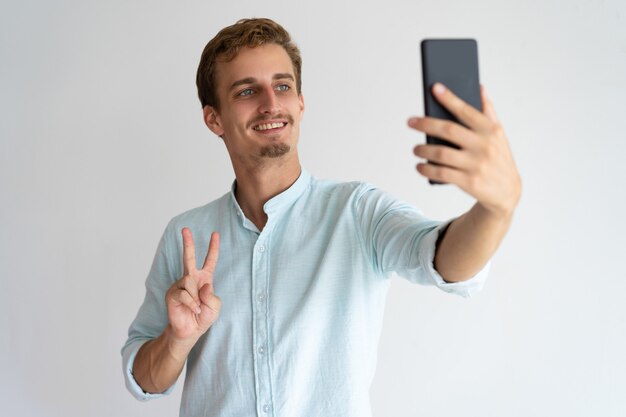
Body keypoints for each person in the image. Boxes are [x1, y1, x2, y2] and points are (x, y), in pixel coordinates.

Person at [121, 18, 521, 417]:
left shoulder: (358, 211)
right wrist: (177, 339)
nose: (271, 103)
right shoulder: (186, 236)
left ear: (300, 102)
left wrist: (495, 209)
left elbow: (442, 260)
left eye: (283, 86)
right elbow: (143, 380)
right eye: (247, 91)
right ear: (214, 119)